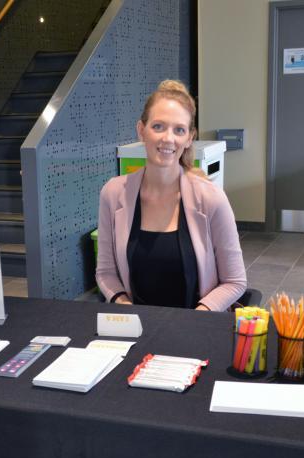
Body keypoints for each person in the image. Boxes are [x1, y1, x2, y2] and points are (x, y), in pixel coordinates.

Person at [95, 80, 246, 311]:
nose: (168, 138)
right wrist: (122, 304)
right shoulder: (113, 193)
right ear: (141, 130)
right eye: (158, 127)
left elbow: (235, 282)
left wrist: (198, 316)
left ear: (189, 138)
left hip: (194, 327)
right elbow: (105, 272)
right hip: (137, 329)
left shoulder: (212, 199)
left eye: (179, 130)